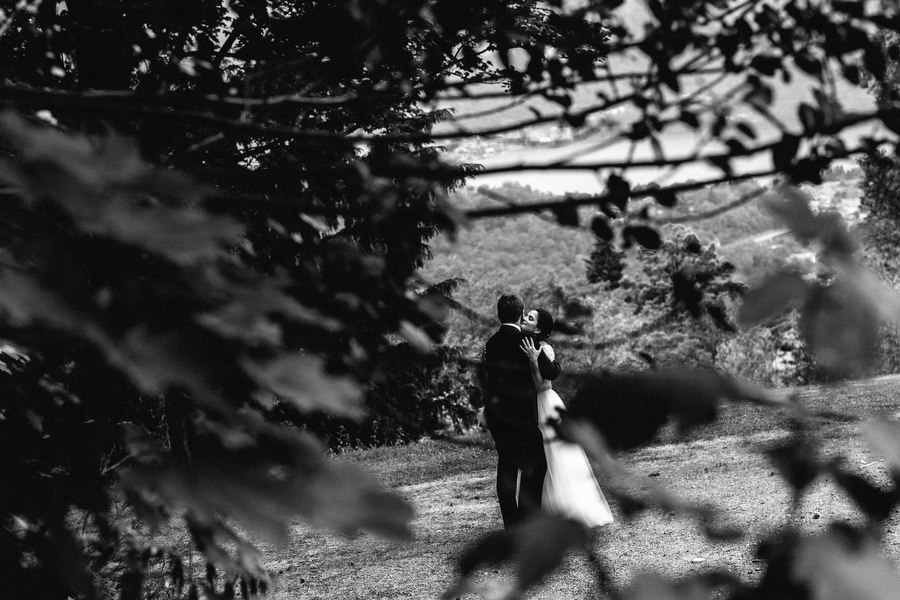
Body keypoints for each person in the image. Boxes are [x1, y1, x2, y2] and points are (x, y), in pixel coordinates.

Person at [520, 308, 614, 528]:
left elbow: (540, 384)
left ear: (539, 328)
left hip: (545, 403)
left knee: (555, 455)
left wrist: (534, 361)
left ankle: (567, 509)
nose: (525, 318)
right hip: (532, 405)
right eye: (525, 315)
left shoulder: (544, 350)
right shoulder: (526, 344)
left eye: (530, 318)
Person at [480, 294, 561, 529]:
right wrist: (544, 359)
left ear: (499, 314)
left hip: (498, 416)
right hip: (521, 415)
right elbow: (552, 372)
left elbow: (486, 375)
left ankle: (512, 527)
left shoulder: (490, 344)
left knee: (507, 467)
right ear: (520, 312)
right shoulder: (526, 340)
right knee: (536, 465)